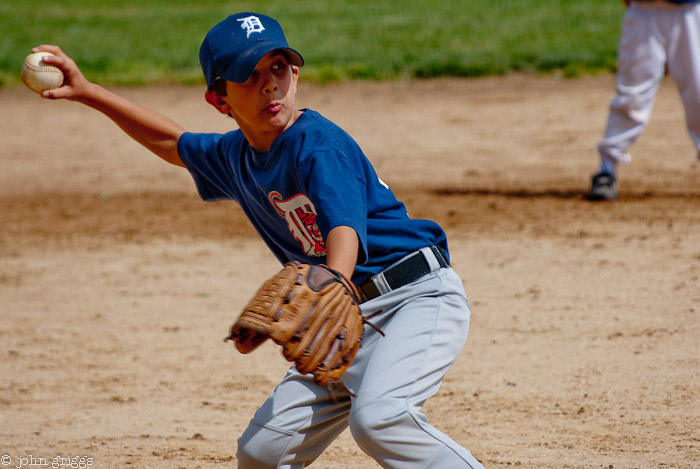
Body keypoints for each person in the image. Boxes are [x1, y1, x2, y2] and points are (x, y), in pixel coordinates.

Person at [33, 12, 485, 468]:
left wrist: (329, 286)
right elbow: (173, 142)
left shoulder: (316, 142)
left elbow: (343, 229)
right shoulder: (236, 157)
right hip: (341, 321)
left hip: (412, 299)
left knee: (381, 420)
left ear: (295, 73)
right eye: (249, 75)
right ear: (219, 99)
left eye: (279, 67)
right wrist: (89, 92)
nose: (270, 84)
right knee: (261, 452)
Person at [589, 0, 700, 201]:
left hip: (690, 9)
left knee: (699, 94)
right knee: (631, 97)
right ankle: (607, 168)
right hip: (642, 11)